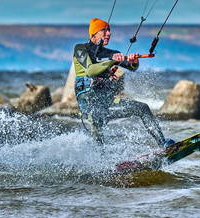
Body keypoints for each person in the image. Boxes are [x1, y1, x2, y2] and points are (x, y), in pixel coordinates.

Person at [73, 18, 173, 148]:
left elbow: (132, 68)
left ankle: (163, 145)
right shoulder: (81, 49)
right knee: (97, 125)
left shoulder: (112, 53)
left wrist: (134, 61)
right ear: (94, 33)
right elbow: (91, 70)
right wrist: (111, 60)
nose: (108, 33)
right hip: (88, 102)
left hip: (106, 102)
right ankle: (100, 163)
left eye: (109, 31)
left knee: (142, 108)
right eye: (104, 30)